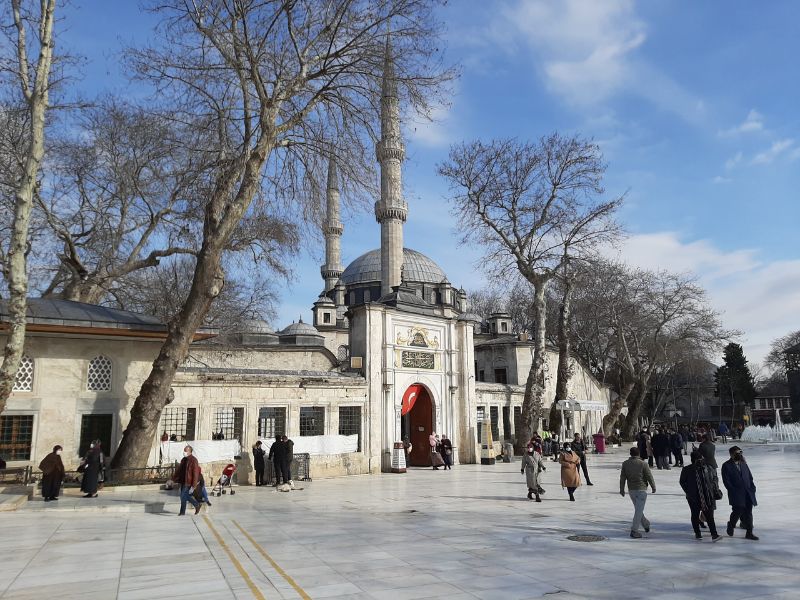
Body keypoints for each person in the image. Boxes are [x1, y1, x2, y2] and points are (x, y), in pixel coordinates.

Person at [679, 450, 722, 541]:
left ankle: (714, 534)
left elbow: (714, 478)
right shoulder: (687, 469)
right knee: (695, 514)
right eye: (699, 459)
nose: (701, 460)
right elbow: (682, 482)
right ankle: (697, 533)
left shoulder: (708, 468)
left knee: (709, 516)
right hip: (693, 497)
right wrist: (689, 492)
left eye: (701, 458)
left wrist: (714, 489)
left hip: (707, 496)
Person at [721, 446, 759, 540]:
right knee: (738, 511)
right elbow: (726, 481)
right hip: (736, 493)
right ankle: (731, 524)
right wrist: (732, 490)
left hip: (748, 492)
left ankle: (749, 533)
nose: (739, 455)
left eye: (740, 453)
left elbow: (750, 477)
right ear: (731, 454)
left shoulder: (743, 463)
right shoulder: (726, 465)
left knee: (749, 512)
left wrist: (752, 488)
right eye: (737, 453)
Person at [620, 446, 657, 539]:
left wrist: (621, 489)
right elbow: (649, 476)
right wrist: (653, 486)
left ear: (630, 453)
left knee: (638, 510)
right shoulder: (643, 464)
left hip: (631, 490)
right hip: (641, 490)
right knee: (638, 511)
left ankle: (646, 524)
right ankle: (634, 530)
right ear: (639, 454)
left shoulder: (625, 463)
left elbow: (622, 478)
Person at [172, 445, 202, 515]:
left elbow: (195, 473)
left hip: (188, 482)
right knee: (184, 496)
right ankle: (197, 505)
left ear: (189, 451)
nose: (184, 452)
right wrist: (173, 479)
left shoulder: (194, 460)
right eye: (184, 450)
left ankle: (182, 512)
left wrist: (194, 485)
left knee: (183, 496)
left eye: (185, 451)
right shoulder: (183, 459)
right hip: (183, 481)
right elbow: (179, 470)